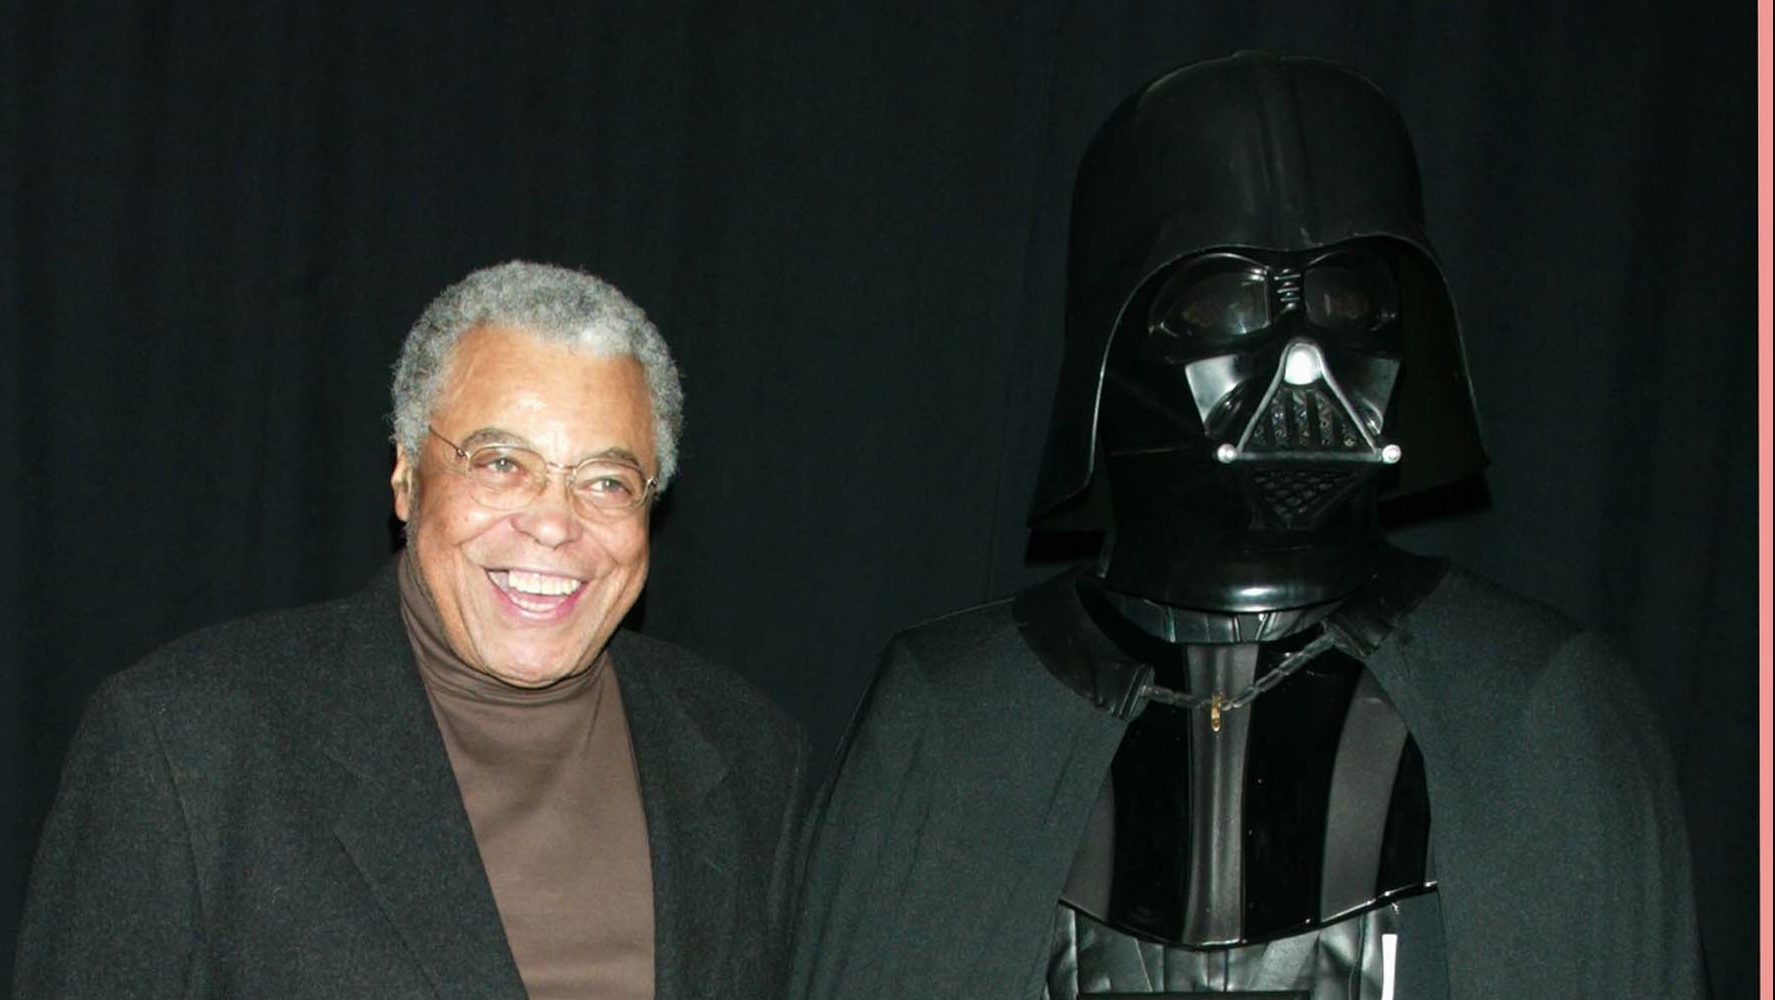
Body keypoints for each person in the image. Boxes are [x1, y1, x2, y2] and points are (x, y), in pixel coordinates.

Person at [789, 53, 1703, 1000]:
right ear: (1113, 347)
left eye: (1347, 299)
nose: (1301, 362)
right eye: (1226, 300)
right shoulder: (956, 719)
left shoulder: (1531, 710)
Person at [14, 261, 809, 999]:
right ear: (404, 476)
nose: (553, 524)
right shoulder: (189, 742)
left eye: (606, 480)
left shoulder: (748, 755)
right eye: (502, 463)